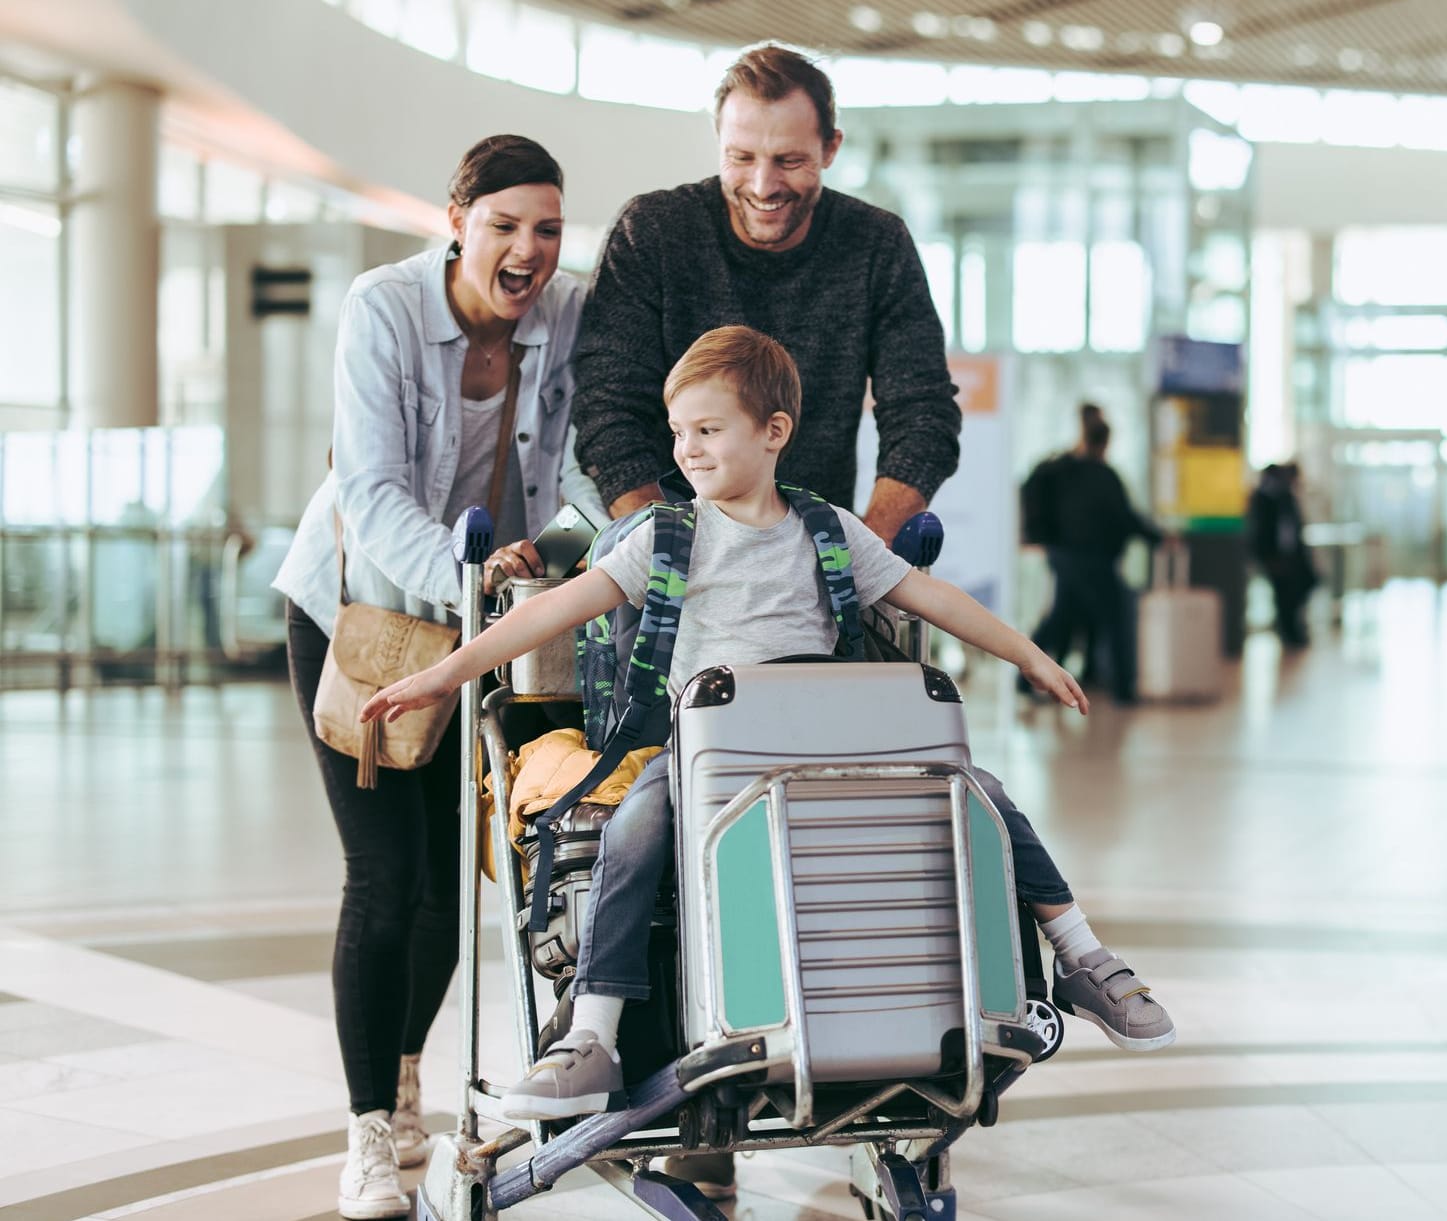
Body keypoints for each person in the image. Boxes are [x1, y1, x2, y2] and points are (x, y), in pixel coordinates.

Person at [361, 328, 1177, 1197]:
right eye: (680, 432)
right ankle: (591, 1031)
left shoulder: (827, 531)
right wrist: (448, 669)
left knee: (981, 794)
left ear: (774, 431)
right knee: (634, 826)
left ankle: (1081, 957)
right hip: (711, 747)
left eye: (709, 429)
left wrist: (1028, 654)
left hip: (826, 742)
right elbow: (561, 605)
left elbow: (922, 592)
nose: (687, 448)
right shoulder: (664, 538)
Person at [272, 135, 605, 1221]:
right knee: (383, 877)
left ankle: (407, 1076)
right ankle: (371, 1134)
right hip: (358, 618)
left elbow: (576, 467)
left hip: (473, 628)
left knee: (446, 896)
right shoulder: (383, 307)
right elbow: (368, 493)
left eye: (547, 228)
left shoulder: (566, 316)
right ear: (456, 218)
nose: (528, 250)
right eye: (505, 224)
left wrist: (570, 556)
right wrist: (472, 570)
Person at [570, 43, 959, 544]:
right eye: (742, 157)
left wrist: (862, 555)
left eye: (789, 160)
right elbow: (607, 410)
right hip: (666, 560)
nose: (763, 184)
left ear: (830, 148)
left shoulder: (877, 245)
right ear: (718, 141)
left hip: (820, 563)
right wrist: (675, 549)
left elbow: (923, 412)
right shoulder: (652, 232)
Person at [1021, 404, 1161, 703]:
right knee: (1115, 618)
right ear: (1104, 442)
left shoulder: (1059, 469)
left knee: (1061, 618)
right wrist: (1158, 538)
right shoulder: (1100, 475)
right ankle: (1124, 690)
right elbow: (1126, 518)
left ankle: (1025, 679)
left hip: (1063, 556)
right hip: (1092, 559)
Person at [1247, 463, 1317, 648]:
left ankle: (1293, 632)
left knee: (1300, 589)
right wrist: (1267, 557)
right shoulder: (1264, 498)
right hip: (1275, 557)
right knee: (1283, 595)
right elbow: (1260, 531)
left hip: (1292, 556)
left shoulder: (1287, 497)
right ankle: (1289, 633)